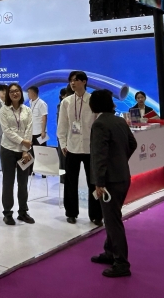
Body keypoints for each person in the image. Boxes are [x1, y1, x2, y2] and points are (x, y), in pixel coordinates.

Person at [89, 89, 137, 278]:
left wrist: (99, 182)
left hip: (110, 181)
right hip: (123, 176)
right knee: (112, 217)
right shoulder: (119, 121)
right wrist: (120, 161)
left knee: (113, 221)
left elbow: (99, 156)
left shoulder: (99, 124)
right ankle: (110, 252)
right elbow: (132, 144)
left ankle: (121, 263)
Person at [57, 71, 103, 225]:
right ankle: (71, 213)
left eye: (76, 80)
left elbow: (98, 124)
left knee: (93, 182)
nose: (72, 83)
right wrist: (63, 144)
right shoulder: (66, 102)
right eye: (71, 80)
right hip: (72, 147)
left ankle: (96, 215)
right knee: (70, 182)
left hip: (90, 148)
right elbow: (62, 125)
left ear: (84, 82)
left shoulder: (93, 100)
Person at [0, 83, 34, 225]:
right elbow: (7, 131)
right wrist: (22, 141)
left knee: (23, 182)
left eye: (17, 91)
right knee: (8, 182)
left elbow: (29, 129)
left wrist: (25, 149)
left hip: (24, 152)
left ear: (21, 92)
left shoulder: (27, 110)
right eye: (12, 91)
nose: (15, 93)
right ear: (8, 94)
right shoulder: (4, 110)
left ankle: (23, 212)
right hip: (8, 149)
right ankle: (7, 213)